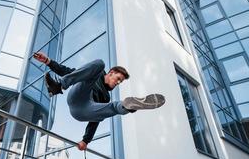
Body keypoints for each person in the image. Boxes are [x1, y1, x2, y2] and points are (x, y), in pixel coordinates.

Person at [33, 52, 165, 151]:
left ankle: (127, 106)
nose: (118, 83)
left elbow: (95, 120)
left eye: (120, 82)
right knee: (99, 64)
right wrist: (48, 61)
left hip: (85, 110)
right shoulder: (96, 73)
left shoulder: (106, 97)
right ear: (111, 73)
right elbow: (67, 71)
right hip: (79, 95)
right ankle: (59, 85)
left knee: (113, 106)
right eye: (118, 79)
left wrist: (86, 140)